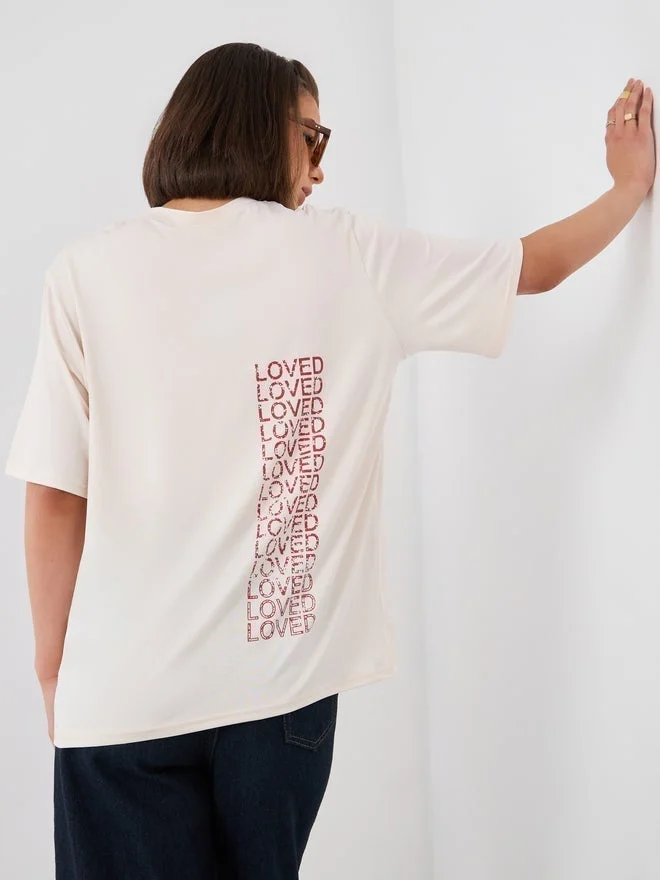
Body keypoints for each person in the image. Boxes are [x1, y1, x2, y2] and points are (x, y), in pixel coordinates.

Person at [4, 41, 655, 880]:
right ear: (254, 123)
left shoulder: (84, 274)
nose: (319, 169)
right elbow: (532, 267)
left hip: (123, 700)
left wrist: (53, 674)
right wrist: (627, 189)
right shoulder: (350, 257)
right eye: (311, 137)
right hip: (280, 698)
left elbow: (56, 493)